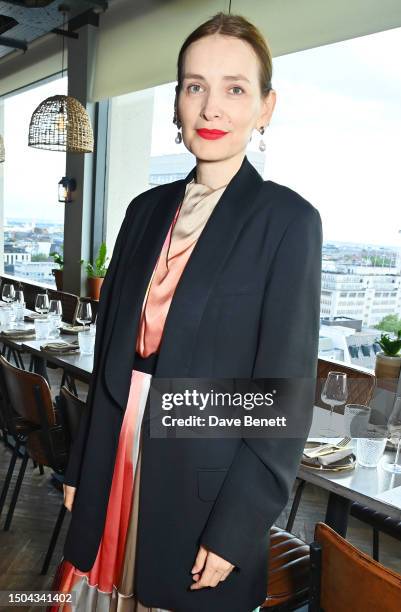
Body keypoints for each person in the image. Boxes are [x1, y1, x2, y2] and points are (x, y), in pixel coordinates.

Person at [48, 11, 322, 612]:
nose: (211, 107)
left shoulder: (287, 222)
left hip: (202, 483)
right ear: (177, 101)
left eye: (235, 88)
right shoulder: (144, 210)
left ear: (265, 107)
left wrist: (235, 529)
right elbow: (110, 356)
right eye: (195, 86)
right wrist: (81, 466)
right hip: (112, 463)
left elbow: (281, 397)